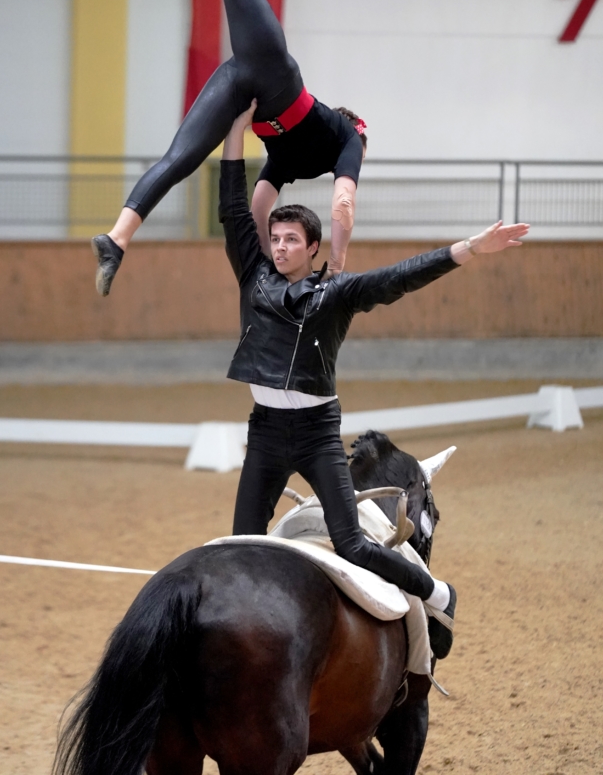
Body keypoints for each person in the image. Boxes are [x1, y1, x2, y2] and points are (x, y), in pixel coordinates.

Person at [219, 100, 531, 659]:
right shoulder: (253, 273)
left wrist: (468, 250)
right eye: (277, 238)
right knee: (243, 544)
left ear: (313, 248)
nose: (282, 246)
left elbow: (400, 278)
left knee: (354, 544)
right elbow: (232, 206)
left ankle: (438, 592)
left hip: (315, 433)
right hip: (265, 433)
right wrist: (237, 133)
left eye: (293, 240)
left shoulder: (334, 293)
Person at [92, 0, 367, 296]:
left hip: (246, 86)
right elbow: (341, 205)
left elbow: (260, 209)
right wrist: (338, 264)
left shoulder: (291, 160)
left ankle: (117, 239)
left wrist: (265, 266)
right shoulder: (347, 139)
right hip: (267, 69)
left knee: (179, 158)